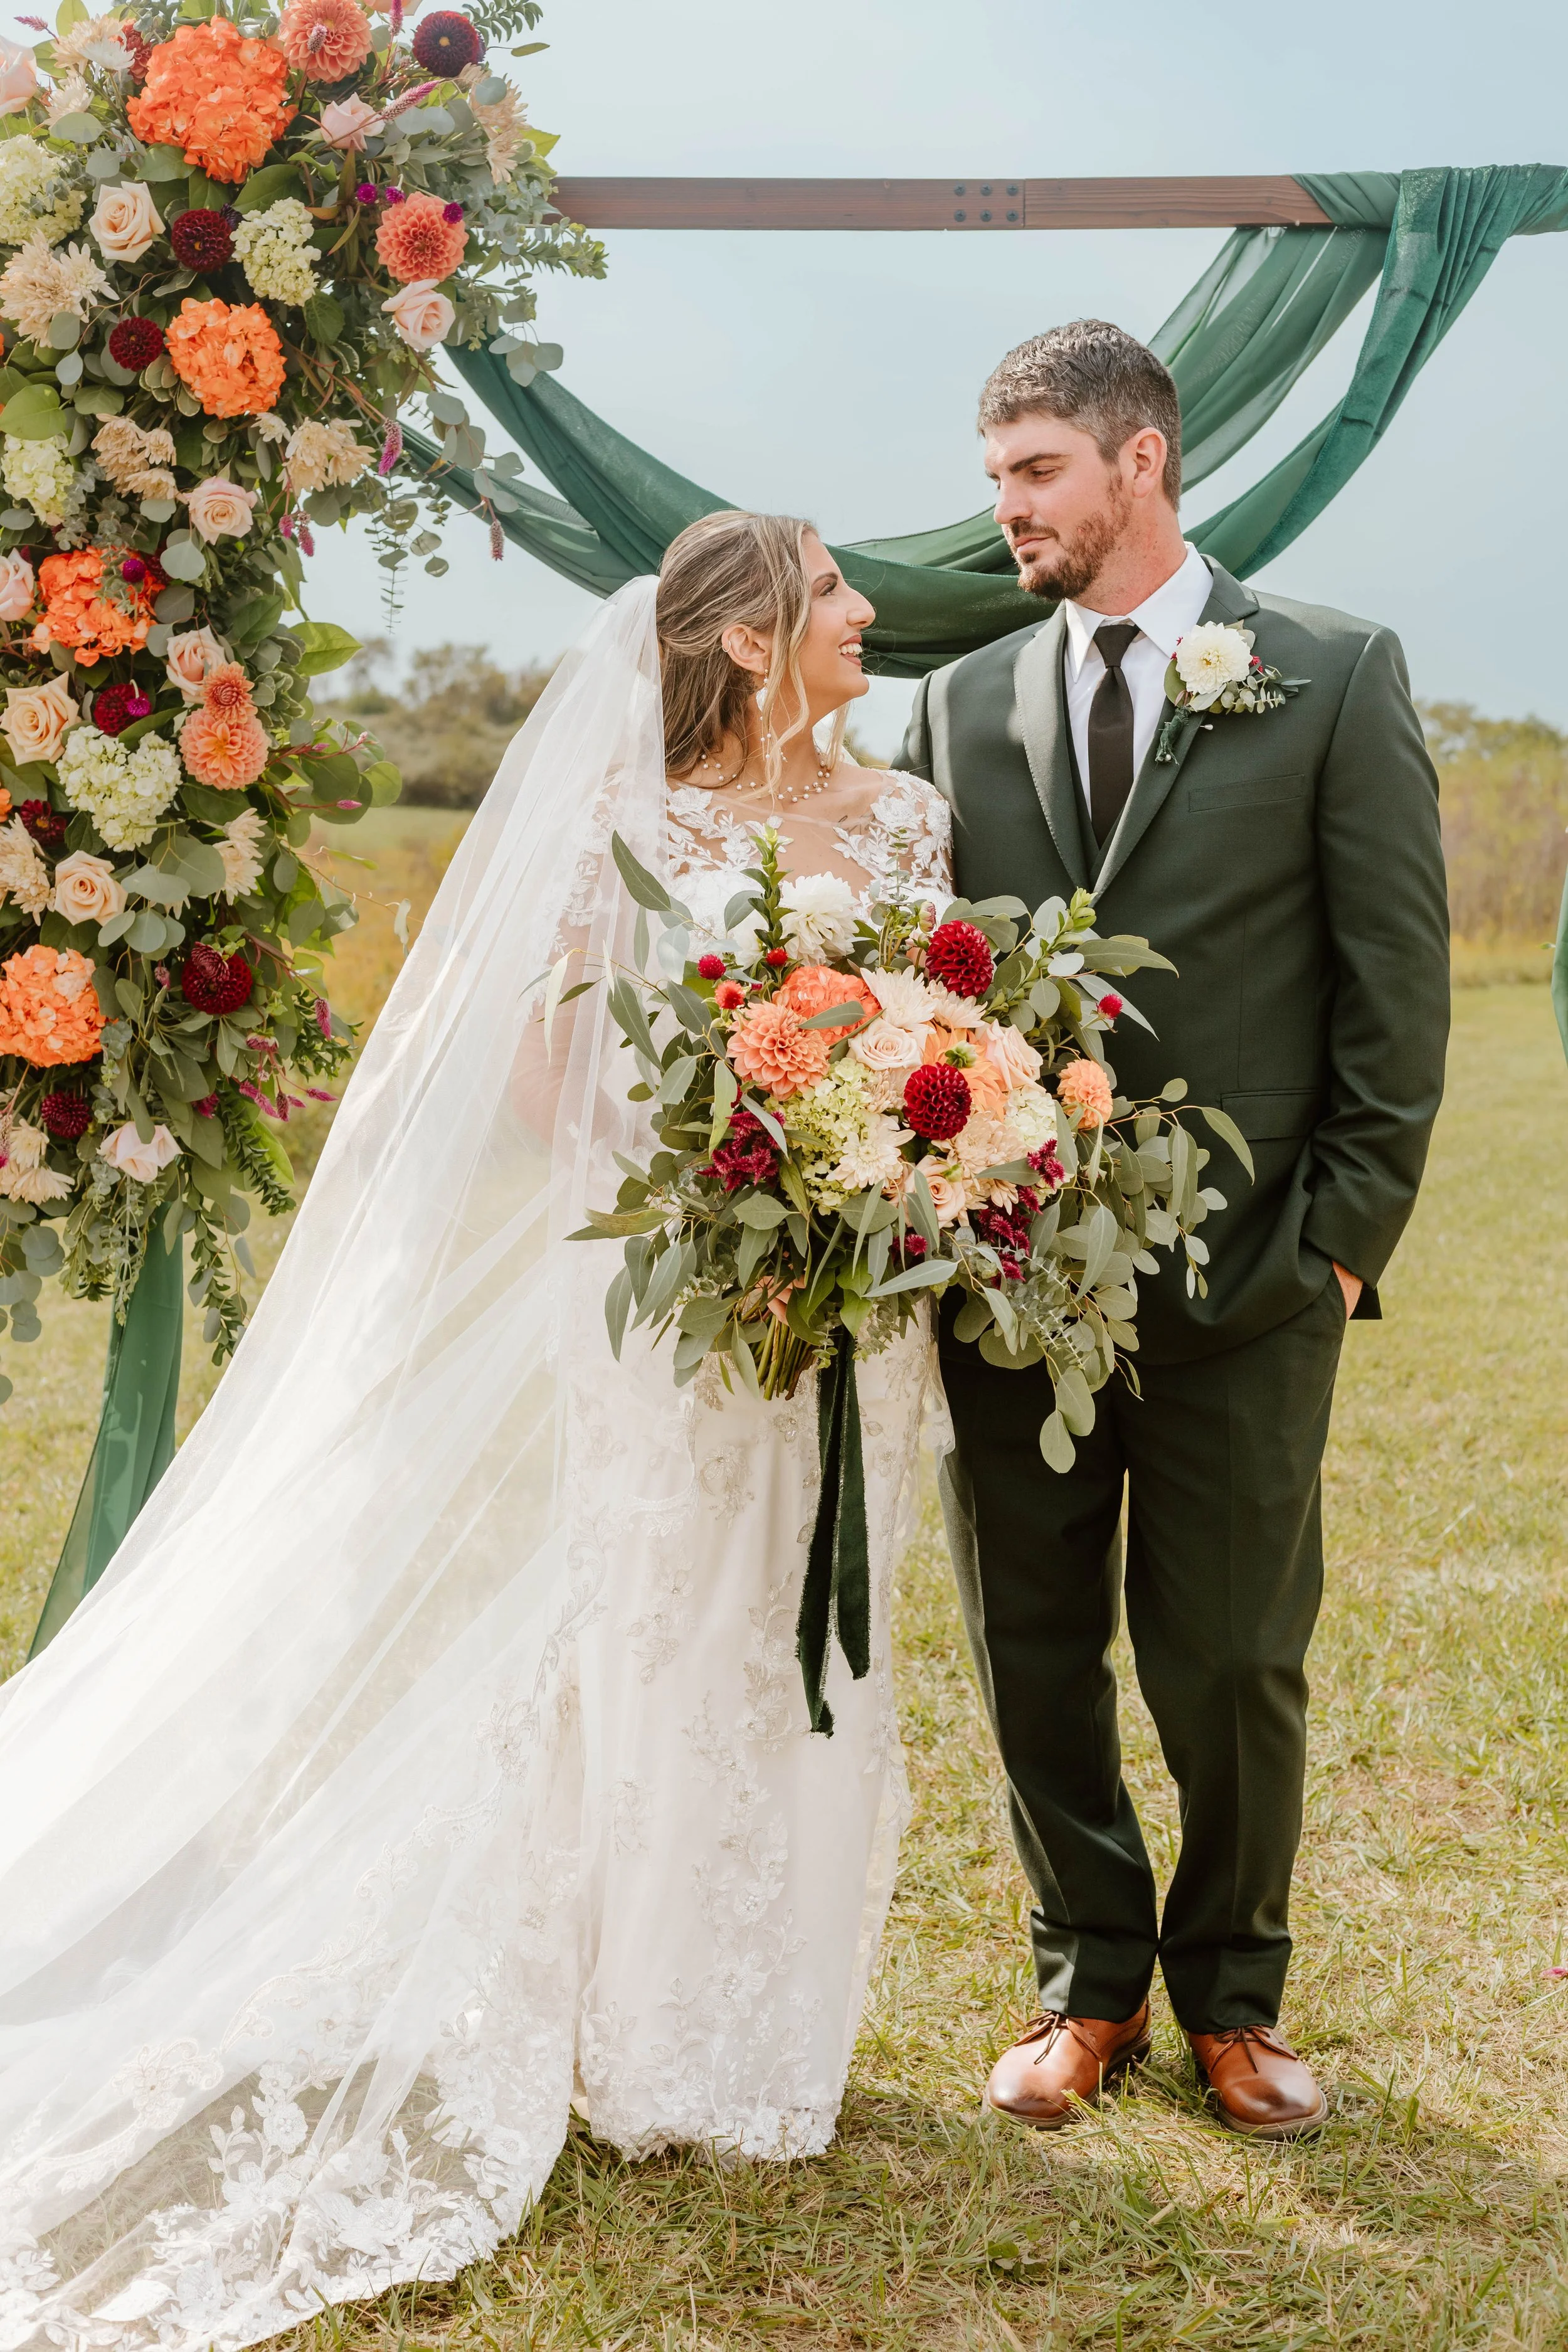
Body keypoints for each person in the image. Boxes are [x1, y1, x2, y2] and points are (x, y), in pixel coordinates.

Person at [0, 516, 954, 2351]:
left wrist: (888, 1164)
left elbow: (938, 1031)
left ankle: (767, 2025)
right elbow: (538, 1076)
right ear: (746, 642)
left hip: (862, 1319)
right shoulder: (631, 820)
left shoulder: (905, 821)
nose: (862, 614)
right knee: (662, 1629)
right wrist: (708, 1162)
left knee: (816, 1639)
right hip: (679, 1302)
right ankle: (639, 2023)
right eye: (829, 590)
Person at [901, 320, 1449, 2138]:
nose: (1007, 513)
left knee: (1228, 1655)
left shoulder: (1331, 671)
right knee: (1029, 1638)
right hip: (1008, 1283)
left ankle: (1234, 1999)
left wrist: (1342, 1243)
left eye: (1035, 473)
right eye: (996, 481)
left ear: (1143, 458)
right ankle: (1086, 1985)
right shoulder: (962, 701)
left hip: (1251, 1274)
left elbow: (1395, 989)